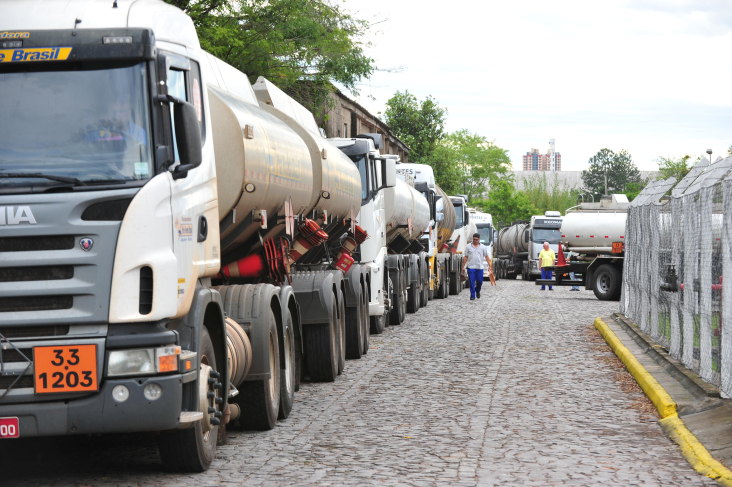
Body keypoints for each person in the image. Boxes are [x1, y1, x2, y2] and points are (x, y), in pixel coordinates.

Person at [462, 232, 492, 300]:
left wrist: (490, 265)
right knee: (472, 282)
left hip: (479, 267)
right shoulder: (468, 246)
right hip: (471, 267)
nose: (475, 241)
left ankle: (477, 291)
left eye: (476, 239)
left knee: (480, 281)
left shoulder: (483, 247)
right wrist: (463, 266)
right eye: (474, 239)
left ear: (479, 239)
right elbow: (465, 257)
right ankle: (472, 295)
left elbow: (486, 257)